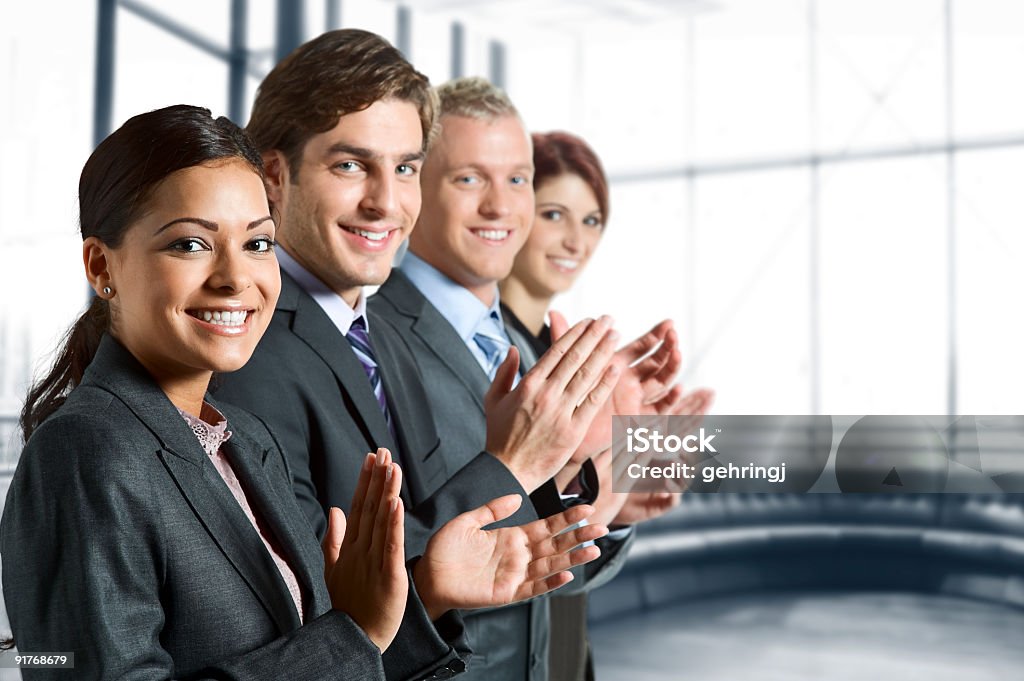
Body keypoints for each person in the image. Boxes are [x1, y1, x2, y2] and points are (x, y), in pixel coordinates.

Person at [0, 105, 605, 681]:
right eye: (190, 243)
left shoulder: (243, 440)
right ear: (102, 267)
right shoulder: (84, 454)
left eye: (257, 243)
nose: (235, 278)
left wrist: (423, 591)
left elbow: (327, 655)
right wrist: (355, 636)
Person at [212, 31, 623, 681]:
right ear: (273, 175)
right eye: (351, 165)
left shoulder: (371, 335)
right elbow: (308, 617)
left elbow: (429, 549)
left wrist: (578, 472)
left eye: (404, 168)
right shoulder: (245, 348)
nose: (386, 201)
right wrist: (508, 463)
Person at [370, 77, 697, 681]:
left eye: (517, 179)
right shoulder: (366, 334)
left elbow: (543, 570)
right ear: (413, 187)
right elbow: (374, 574)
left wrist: (609, 501)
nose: (501, 206)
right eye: (469, 179)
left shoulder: (525, 345)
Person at [498, 130, 717, 680]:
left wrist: (612, 503)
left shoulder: (563, 354)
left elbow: (565, 541)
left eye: (591, 221)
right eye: (555, 214)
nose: (575, 240)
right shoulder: (480, 352)